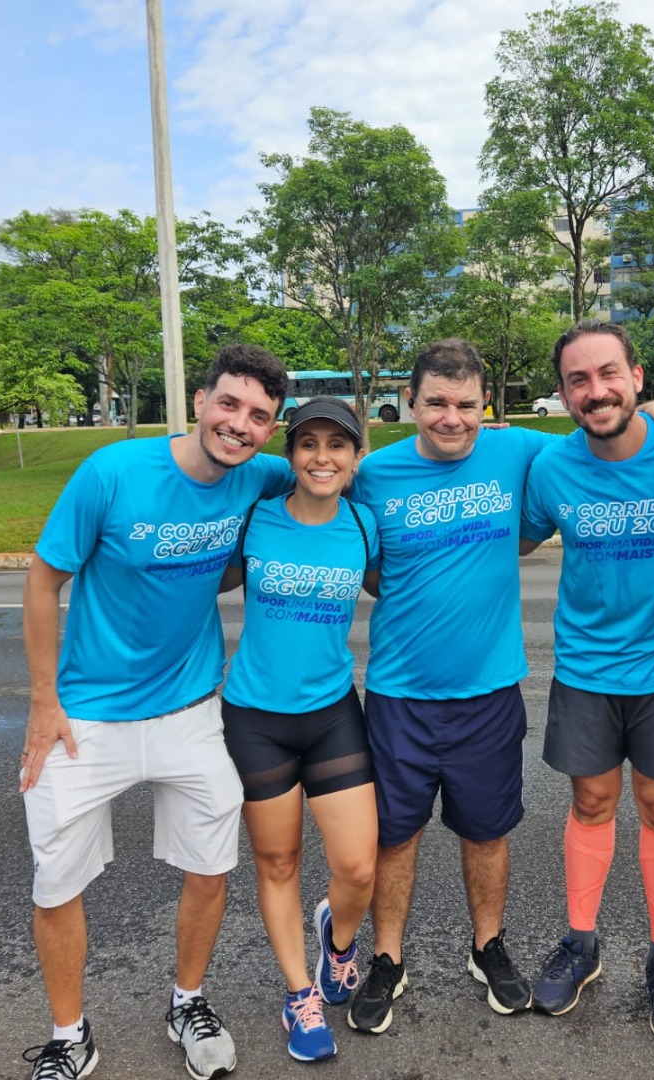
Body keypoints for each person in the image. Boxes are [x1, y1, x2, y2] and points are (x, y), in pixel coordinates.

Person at [345, 337, 654, 1035]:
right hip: (398, 692)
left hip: (490, 690)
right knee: (395, 836)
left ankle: (488, 948)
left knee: (487, 832)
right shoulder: (374, 474)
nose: (451, 418)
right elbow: (365, 565)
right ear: (409, 402)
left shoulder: (519, 452)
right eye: (436, 403)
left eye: (466, 404)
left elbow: (601, 425)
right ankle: (387, 958)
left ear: (487, 406)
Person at [18, 344, 291, 1080]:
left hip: (191, 711)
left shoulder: (260, 475)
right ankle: (70, 1036)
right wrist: (43, 702)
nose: (239, 425)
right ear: (200, 401)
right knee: (57, 882)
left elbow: (336, 468)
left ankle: (187, 1001)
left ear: (271, 428)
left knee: (211, 867)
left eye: (258, 416)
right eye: (228, 404)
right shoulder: (112, 472)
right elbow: (43, 582)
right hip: (86, 717)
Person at [518, 321, 654, 1042]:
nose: (595, 391)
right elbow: (514, 540)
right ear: (564, 392)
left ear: (637, 376)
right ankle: (582, 943)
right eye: (578, 380)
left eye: (608, 374)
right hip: (587, 669)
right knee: (592, 802)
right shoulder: (552, 467)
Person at [218, 398, 380, 1064]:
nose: (321, 457)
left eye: (336, 445)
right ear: (289, 455)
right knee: (279, 862)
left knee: (358, 866)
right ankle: (298, 995)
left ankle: (337, 945)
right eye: (308, 443)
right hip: (256, 718)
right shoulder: (255, 518)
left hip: (332, 714)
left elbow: (399, 590)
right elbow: (200, 583)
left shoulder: (364, 525)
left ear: (355, 458)